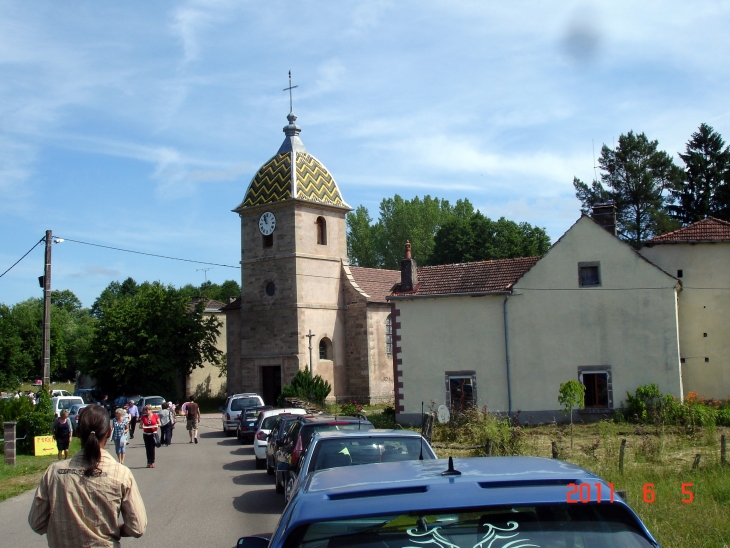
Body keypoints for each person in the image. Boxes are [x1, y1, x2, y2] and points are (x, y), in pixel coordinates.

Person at [28, 404, 147, 546]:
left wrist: (65, 529)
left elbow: (37, 522)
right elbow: (137, 527)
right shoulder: (121, 473)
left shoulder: (54, 472)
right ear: (109, 433)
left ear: (77, 432)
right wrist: (113, 530)